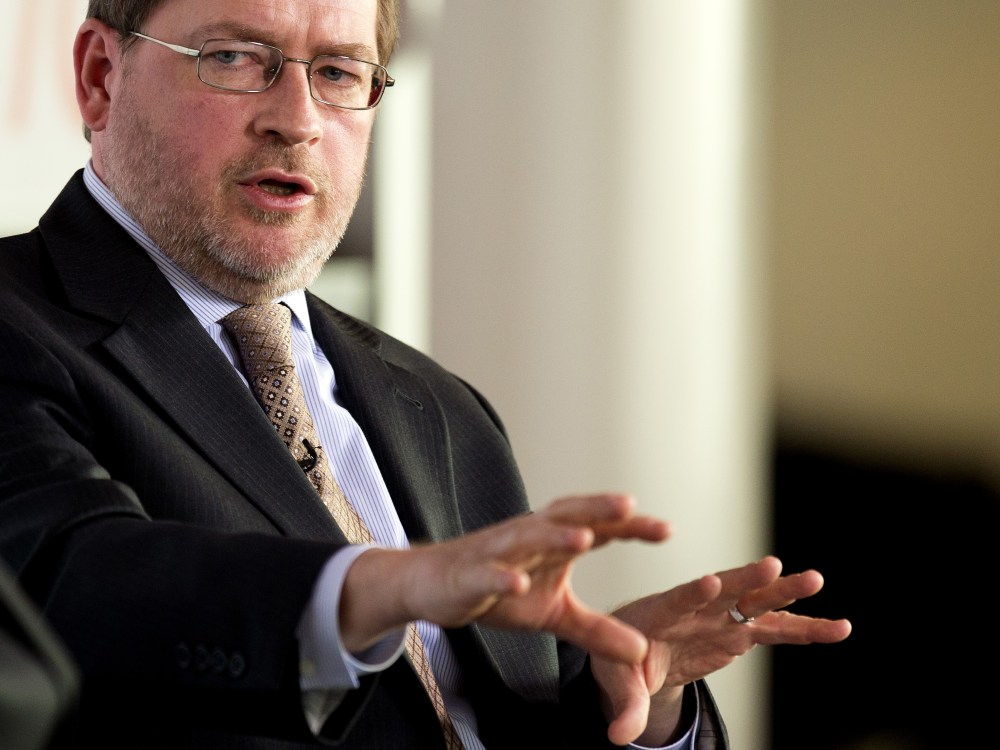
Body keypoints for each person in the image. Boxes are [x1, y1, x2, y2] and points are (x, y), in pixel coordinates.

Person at [0, 0, 852, 748]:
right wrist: (391, 582)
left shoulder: (439, 406)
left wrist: (624, 700)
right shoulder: (18, 324)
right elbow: (70, 587)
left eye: (338, 71)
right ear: (100, 75)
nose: (296, 119)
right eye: (233, 58)